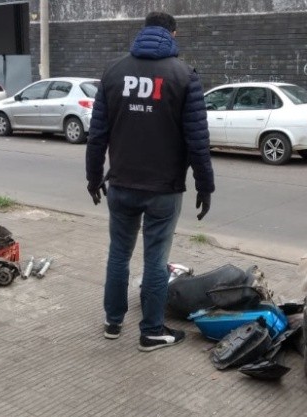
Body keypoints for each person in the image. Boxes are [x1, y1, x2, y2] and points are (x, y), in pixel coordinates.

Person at [85, 11, 215, 352]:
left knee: (118, 255)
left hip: (122, 185)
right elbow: (197, 141)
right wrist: (205, 185)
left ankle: (113, 323)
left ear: (143, 31)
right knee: (155, 261)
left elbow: (97, 135)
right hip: (164, 189)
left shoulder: (113, 73)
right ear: (173, 33)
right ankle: (152, 332)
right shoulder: (184, 76)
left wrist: (93, 176)